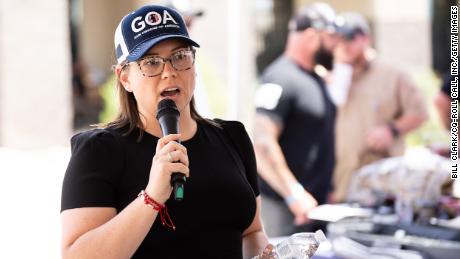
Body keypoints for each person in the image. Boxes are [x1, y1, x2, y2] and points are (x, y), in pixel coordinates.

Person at [60, 5, 269, 259]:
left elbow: (252, 232)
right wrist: (152, 197)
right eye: (151, 62)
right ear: (124, 77)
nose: (169, 72)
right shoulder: (99, 151)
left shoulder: (232, 137)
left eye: (180, 56)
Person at [253, 3, 338, 237]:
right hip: (285, 209)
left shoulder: (316, 77)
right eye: (331, 38)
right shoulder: (279, 78)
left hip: (315, 208)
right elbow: (261, 144)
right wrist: (294, 194)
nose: (336, 45)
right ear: (311, 37)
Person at [330, 12, 428, 202]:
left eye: (350, 38)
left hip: (381, 181)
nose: (344, 45)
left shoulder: (392, 74)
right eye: (338, 39)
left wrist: (392, 130)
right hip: (341, 181)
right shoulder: (333, 76)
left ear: (366, 38)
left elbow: (420, 113)